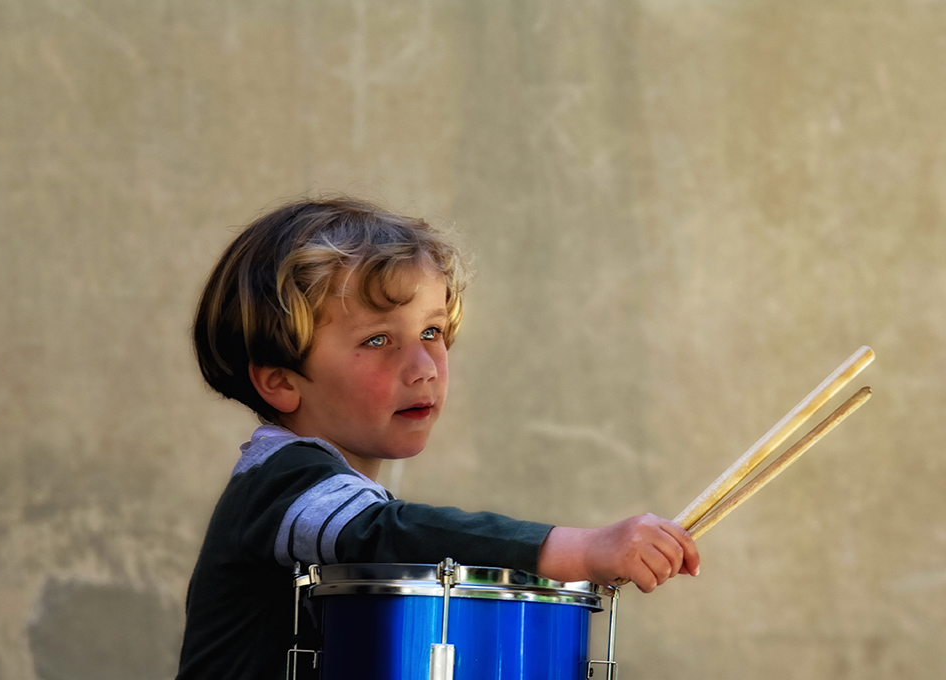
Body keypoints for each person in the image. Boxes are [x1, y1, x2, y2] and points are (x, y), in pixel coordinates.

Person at [175, 196, 700, 680]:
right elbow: (383, 534)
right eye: (378, 339)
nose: (424, 367)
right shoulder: (282, 483)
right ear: (281, 380)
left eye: (431, 332)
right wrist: (580, 549)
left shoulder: (322, 493)